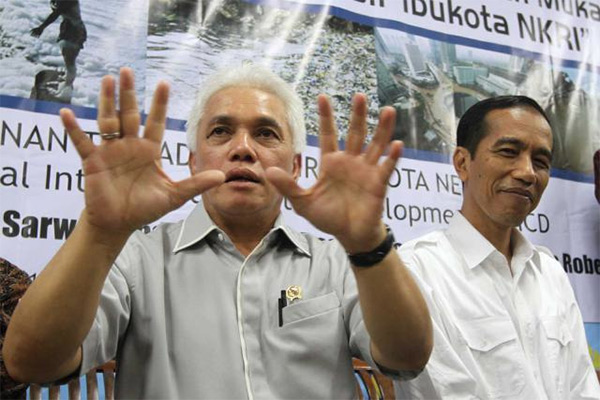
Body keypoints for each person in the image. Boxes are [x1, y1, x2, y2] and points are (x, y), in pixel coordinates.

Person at [3, 65, 432, 399]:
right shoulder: (135, 258)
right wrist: (99, 231)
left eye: (266, 133)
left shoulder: (337, 262)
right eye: (221, 131)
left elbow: (407, 359)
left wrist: (368, 243)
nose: (242, 147)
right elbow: (30, 363)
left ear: (296, 166)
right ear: (193, 161)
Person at [394, 96, 600, 399]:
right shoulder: (417, 270)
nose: (527, 172)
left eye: (540, 161)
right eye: (508, 152)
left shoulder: (550, 273)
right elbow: (440, 392)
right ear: (462, 163)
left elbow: (582, 388)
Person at [30, 0, 87, 97]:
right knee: (68, 58)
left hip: (74, 32)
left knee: (69, 60)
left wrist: (42, 27)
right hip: (72, 30)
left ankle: (66, 90)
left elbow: (56, 13)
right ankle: (66, 84)